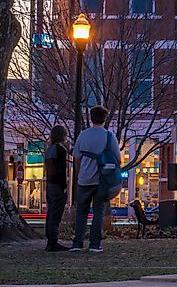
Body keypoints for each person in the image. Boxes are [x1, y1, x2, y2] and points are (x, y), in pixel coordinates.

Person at [71, 105, 120, 253]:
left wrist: (81, 173)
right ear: (105, 119)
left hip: (84, 179)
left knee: (81, 211)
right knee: (98, 211)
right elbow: (117, 158)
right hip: (101, 181)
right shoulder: (109, 136)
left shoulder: (83, 135)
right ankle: (94, 244)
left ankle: (77, 243)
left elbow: (76, 158)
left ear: (91, 118)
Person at [42, 125, 69, 252]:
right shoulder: (61, 151)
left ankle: (50, 239)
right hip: (58, 185)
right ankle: (53, 240)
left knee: (51, 212)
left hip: (50, 184)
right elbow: (61, 171)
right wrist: (64, 186)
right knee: (56, 213)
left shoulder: (49, 150)